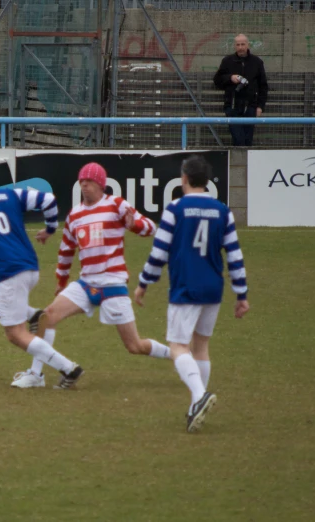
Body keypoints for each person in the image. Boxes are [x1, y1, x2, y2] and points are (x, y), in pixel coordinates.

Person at [16, 163, 171, 388]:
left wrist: (134, 224)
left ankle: (178, 356)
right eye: (81, 182)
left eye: (88, 181)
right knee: (47, 316)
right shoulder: (75, 214)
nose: (84, 185)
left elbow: (150, 227)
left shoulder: (116, 204)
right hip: (86, 284)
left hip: (113, 284)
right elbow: (67, 250)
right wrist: (61, 281)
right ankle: (36, 375)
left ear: (100, 184)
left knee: (134, 346)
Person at [135, 155, 249, 433]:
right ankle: (194, 406)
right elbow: (233, 253)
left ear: (184, 178)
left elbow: (159, 251)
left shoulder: (176, 208)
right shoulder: (223, 210)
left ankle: (199, 396)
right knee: (201, 347)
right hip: (213, 286)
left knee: (178, 347)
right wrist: (241, 293)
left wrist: (144, 282)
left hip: (186, 285)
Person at [0, 168, 84, 389]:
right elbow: (48, 200)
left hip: (8, 272)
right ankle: (34, 316)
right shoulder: (11, 194)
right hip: (30, 268)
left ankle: (68, 368)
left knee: (15, 334)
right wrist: (50, 229)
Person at [213, 33, 269, 146]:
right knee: (238, 139)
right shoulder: (227, 61)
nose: (240, 47)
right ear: (234, 46)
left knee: (248, 140)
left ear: (248, 45)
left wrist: (260, 107)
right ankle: (238, 161)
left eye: (243, 44)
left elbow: (263, 86)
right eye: (238, 44)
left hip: (250, 107)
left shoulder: (257, 62)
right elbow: (217, 80)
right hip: (233, 106)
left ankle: (246, 162)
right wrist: (230, 78)